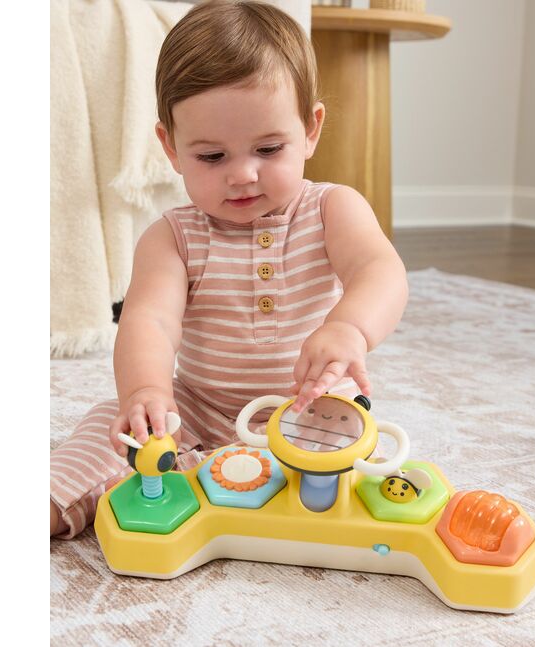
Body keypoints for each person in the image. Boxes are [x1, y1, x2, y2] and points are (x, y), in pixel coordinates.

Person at [50, 0, 408, 538]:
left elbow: (380, 271)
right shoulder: (172, 236)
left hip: (308, 407)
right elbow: (150, 322)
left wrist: (349, 328)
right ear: (171, 147)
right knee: (114, 426)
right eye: (212, 157)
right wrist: (146, 391)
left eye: (268, 148)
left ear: (310, 130)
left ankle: (216, 486)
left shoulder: (333, 208)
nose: (242, 174)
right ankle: (55, 500)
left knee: (342, 459)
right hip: (196, 407)